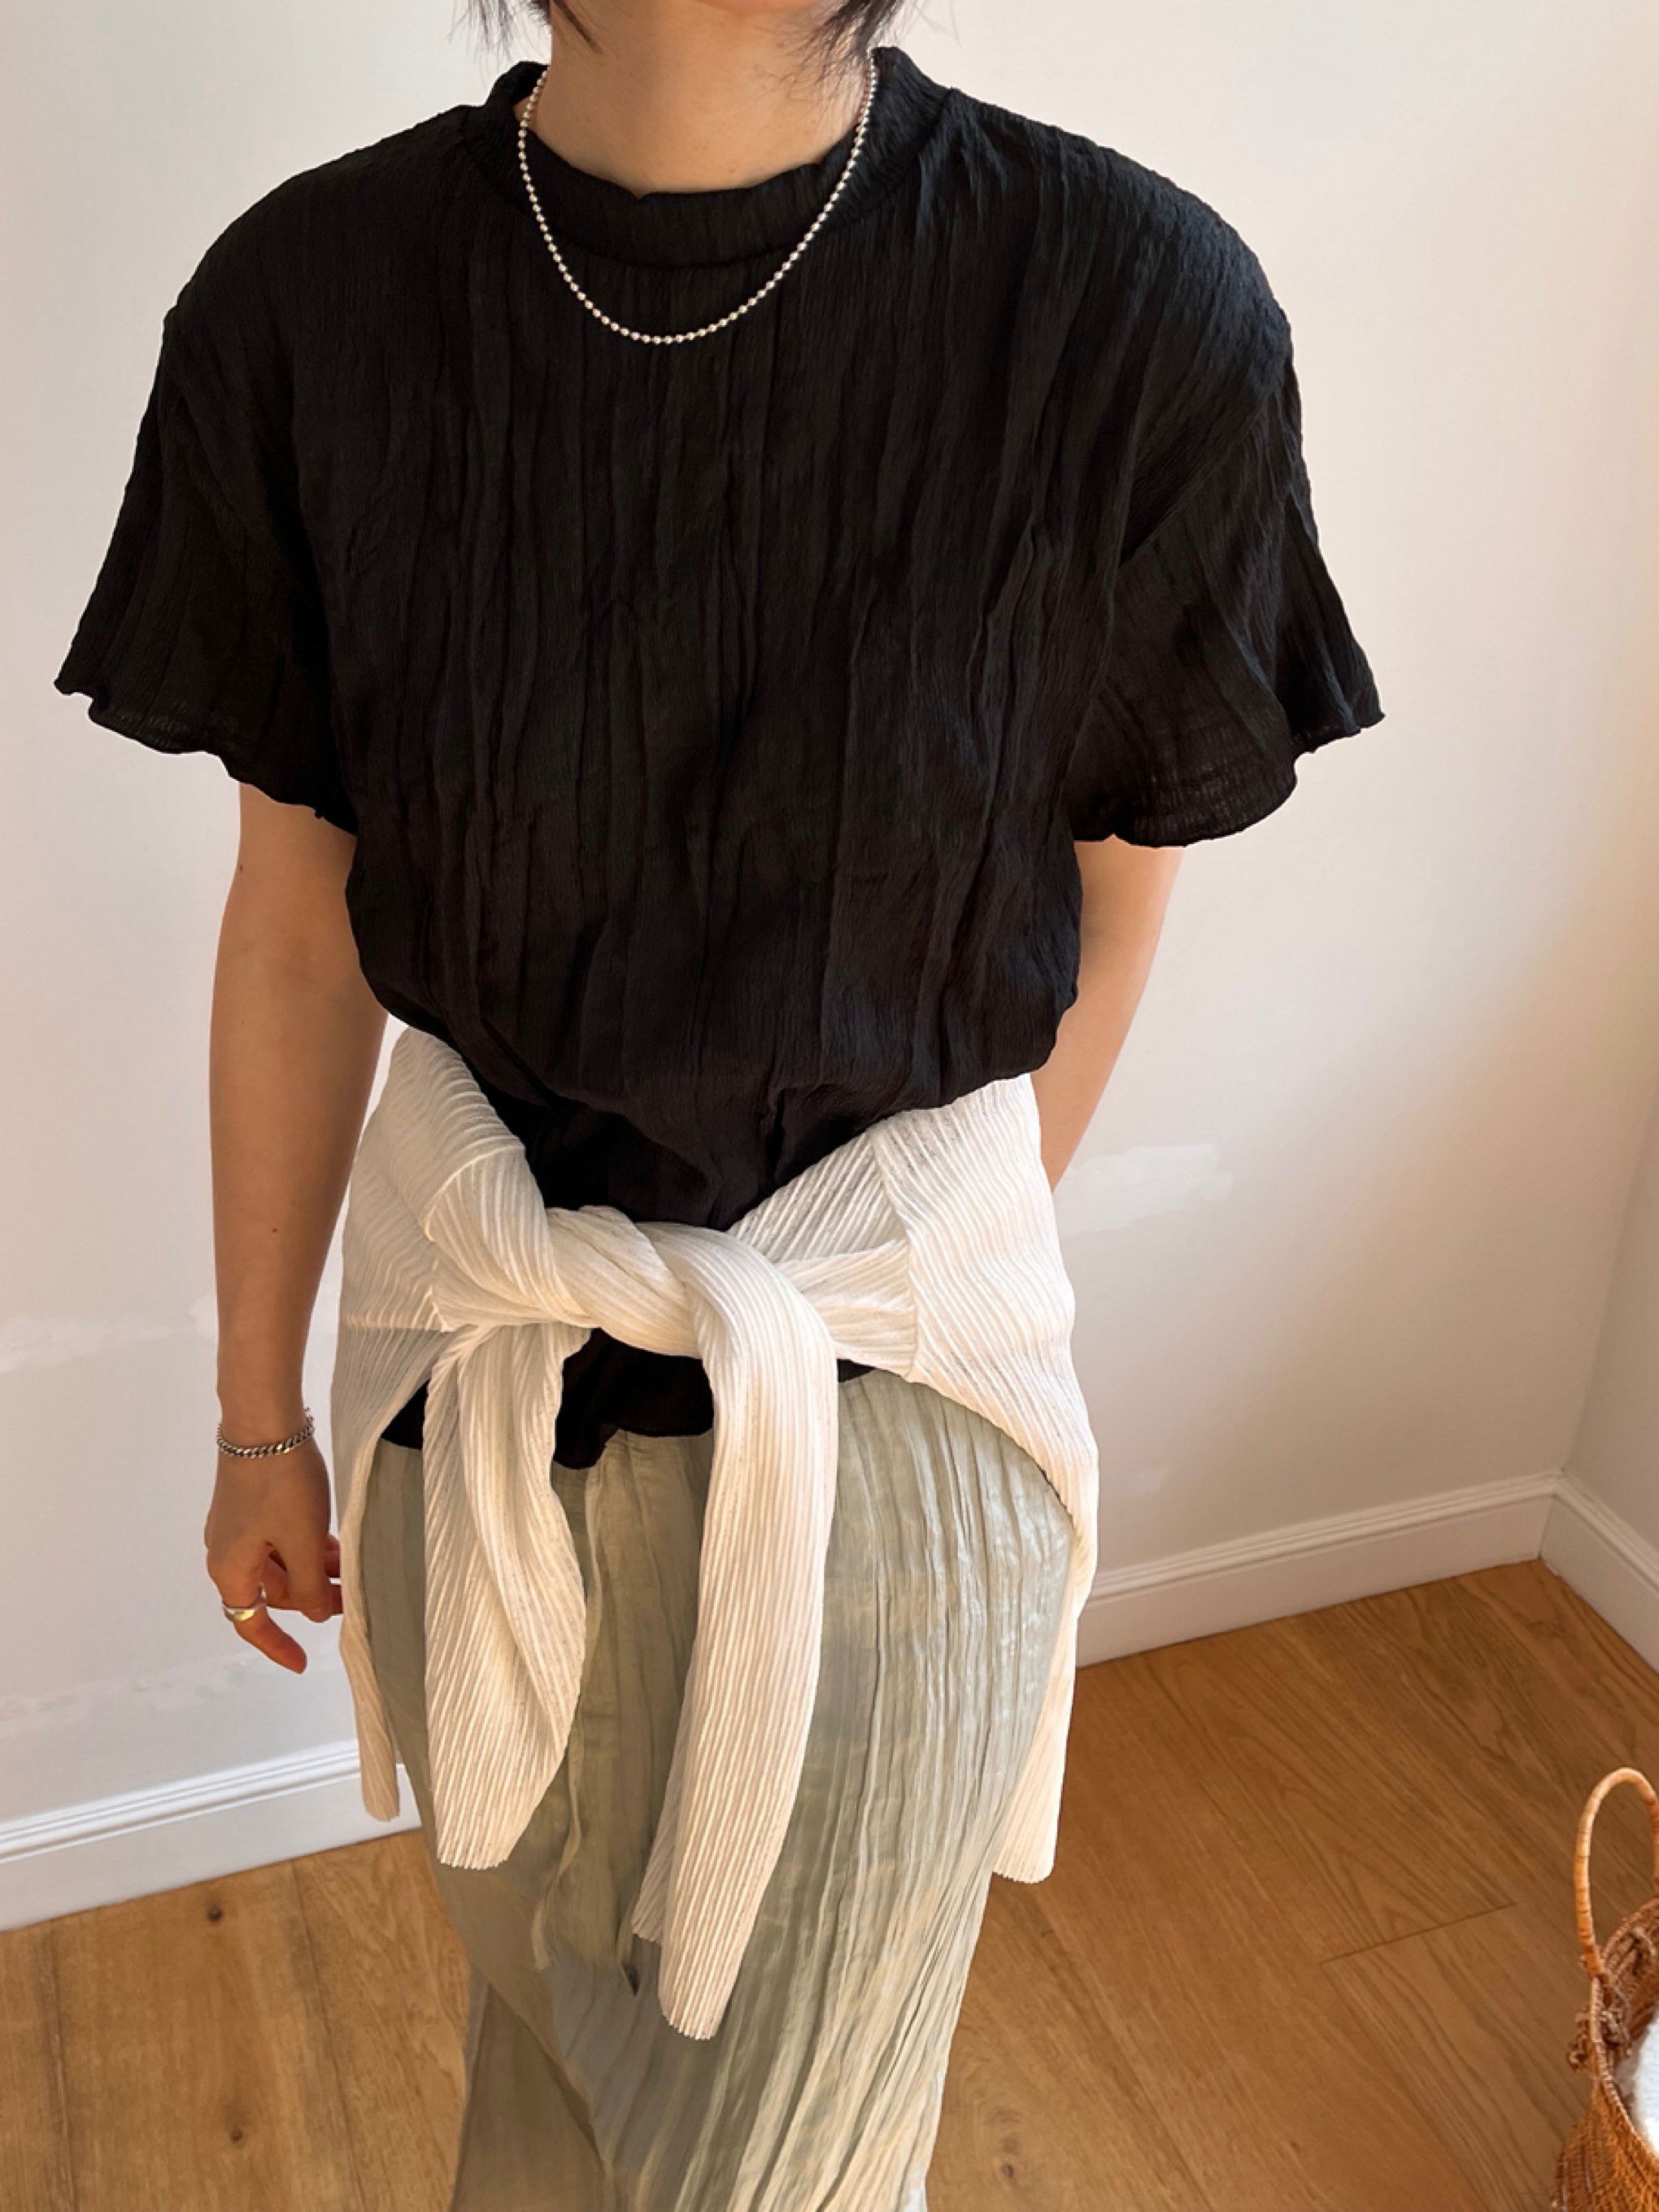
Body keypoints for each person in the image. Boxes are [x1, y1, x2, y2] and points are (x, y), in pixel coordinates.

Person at [53, 1, 1382, 2203]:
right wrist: (256, 1419)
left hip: (878, 1484)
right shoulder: (311, 307)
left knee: (778, 2176)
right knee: (542, 2093)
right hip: (467, 1416)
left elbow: (1112, 903)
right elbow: (297, 923)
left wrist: (891, 1311)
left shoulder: (1132, 310)